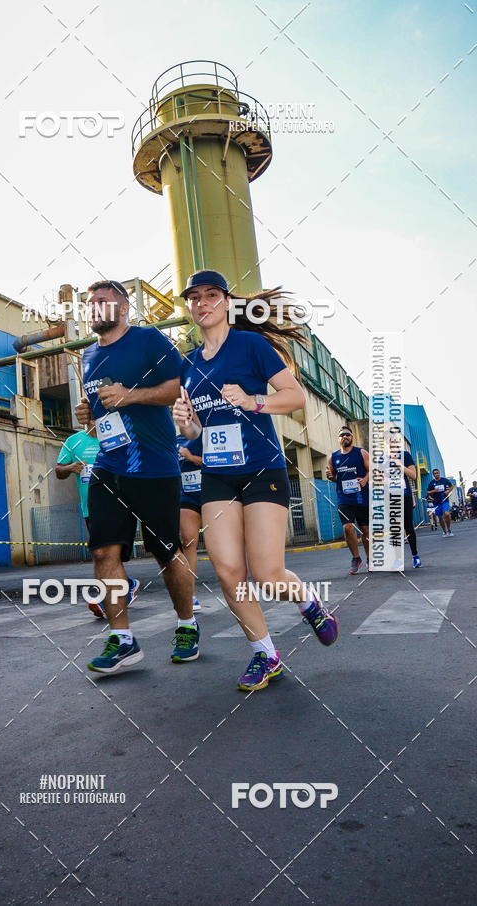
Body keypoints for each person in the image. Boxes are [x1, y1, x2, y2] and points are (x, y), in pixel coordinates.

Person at [173, 269, 338, 693]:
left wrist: (252, 400)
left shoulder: (251, 345)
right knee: (228, 572)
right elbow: (196, 432)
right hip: (217, 475)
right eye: (194, 297)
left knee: (266, 574)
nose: (202, 303)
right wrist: (186, 423)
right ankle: (266, 654)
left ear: (227, 302)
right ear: (189, 307)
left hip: (262, 468)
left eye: (211, 294)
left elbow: (295, 397)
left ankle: (309, 602)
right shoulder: (187, 365)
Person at [75, 280, 199, 675]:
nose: (94, 308)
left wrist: (130, 394)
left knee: (166, 552)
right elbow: (98, 413)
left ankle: (187, 624)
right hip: (109, 464)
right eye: (90, 303)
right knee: (103, 552)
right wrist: (87, 413)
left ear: (124, 308)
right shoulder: (88, 355)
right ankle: (123, 639)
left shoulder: (148, 340)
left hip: (153, 465)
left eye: (103, 301)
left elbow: (180, 387)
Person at [55, 417, 140, 617]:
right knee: (102, 554)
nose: (94, 419)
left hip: (117, 504)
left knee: (107, 554)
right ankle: (127, 585)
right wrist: (70, 467)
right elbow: (59, 470)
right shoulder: (74, 441)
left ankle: (107, 599)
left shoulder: (116, 438)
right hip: (90, 508)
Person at [326, 428, 370, 574]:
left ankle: (370, 558)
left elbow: (372, 470)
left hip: (362, 497)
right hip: (344, 498)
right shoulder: (333, 457)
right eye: (342, 435)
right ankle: (356, 558)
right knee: (347, 527)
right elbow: (333, 477)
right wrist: (329, 476)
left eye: (347, 434)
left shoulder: (361, 452)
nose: (345, 436)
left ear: (352, 437)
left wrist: (365, 479)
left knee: (365, 530)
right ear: (338, 439)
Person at [380, 440, 422, 568]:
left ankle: (415, 556)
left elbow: (413, 475)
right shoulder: (382, 459)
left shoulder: (405, 455)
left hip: (405, 495)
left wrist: (399, 465)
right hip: (390, 497)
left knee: (408, 526)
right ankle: (398, 559)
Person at [177, 433, 203, 613]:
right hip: (187, 496)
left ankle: (235, 586)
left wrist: (192, 458)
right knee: (188, 541)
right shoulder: (175, 441)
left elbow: (221, 463)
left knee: (219, 544)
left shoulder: (207, 434)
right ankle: (190, 595)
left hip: (213, 495)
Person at [426, 468, 454, 537]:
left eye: (437, 473)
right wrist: (434, 491)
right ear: (433, 475)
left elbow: (452, 486)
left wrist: (448, 491)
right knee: (440, 517)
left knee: (447, 514)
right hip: (436, 502)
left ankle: (449, 529)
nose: (437, 474)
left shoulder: (444, 480)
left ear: (439, 473)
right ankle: (444, 531)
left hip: (444, 500)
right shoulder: (432, 483)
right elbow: (428, 492)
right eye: (435, 473)